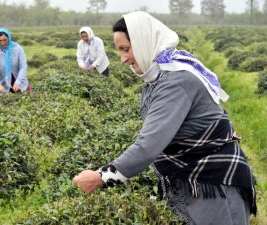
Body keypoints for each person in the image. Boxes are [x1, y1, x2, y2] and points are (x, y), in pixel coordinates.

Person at [73, 11, 256, 225]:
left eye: (125, 49)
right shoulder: (160, 77)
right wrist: (128, 168)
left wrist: (102, 177)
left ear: (144, 42)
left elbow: (149, 145)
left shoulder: (175, 82)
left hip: (213, 183)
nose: (123, 59)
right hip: (190, 178)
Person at [0, 28, 32, 94]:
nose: (3, 43)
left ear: (9, 38)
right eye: (0, 40)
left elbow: (23, 66)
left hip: (21, 85)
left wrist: (18, 82)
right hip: (4, 88)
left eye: (5, 40)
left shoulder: (17, 49)